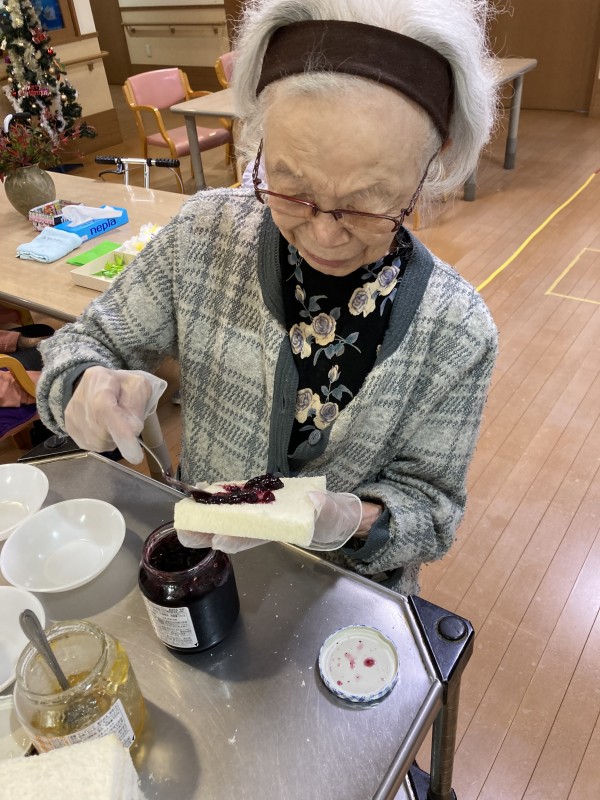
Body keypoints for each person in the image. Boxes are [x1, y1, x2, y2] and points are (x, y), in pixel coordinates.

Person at [37, 0, 498, 596]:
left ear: (431, 165)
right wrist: (82, 386)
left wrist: (346, 520)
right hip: (203, 568)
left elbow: (431, 513)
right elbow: (85, 345)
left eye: (367, 203)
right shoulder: (203, 236)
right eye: (291, 187)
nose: (324, 235)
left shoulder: (457, 329)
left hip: (347, 597)